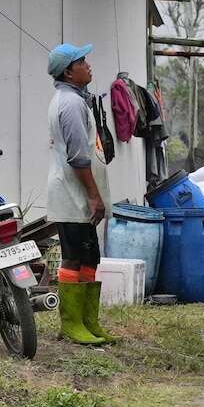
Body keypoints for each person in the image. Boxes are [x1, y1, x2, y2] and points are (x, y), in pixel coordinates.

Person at [47, 42, 115, 345]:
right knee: (74, 257)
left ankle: (89, 321)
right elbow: (77, 157)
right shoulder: (70, 105)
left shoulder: (75, 99)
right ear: (68, 72)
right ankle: (72, 324)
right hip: (73, 194)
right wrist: (93, 195)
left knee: (90, 257)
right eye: (81, 62)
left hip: (80, 193)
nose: (88, 65)